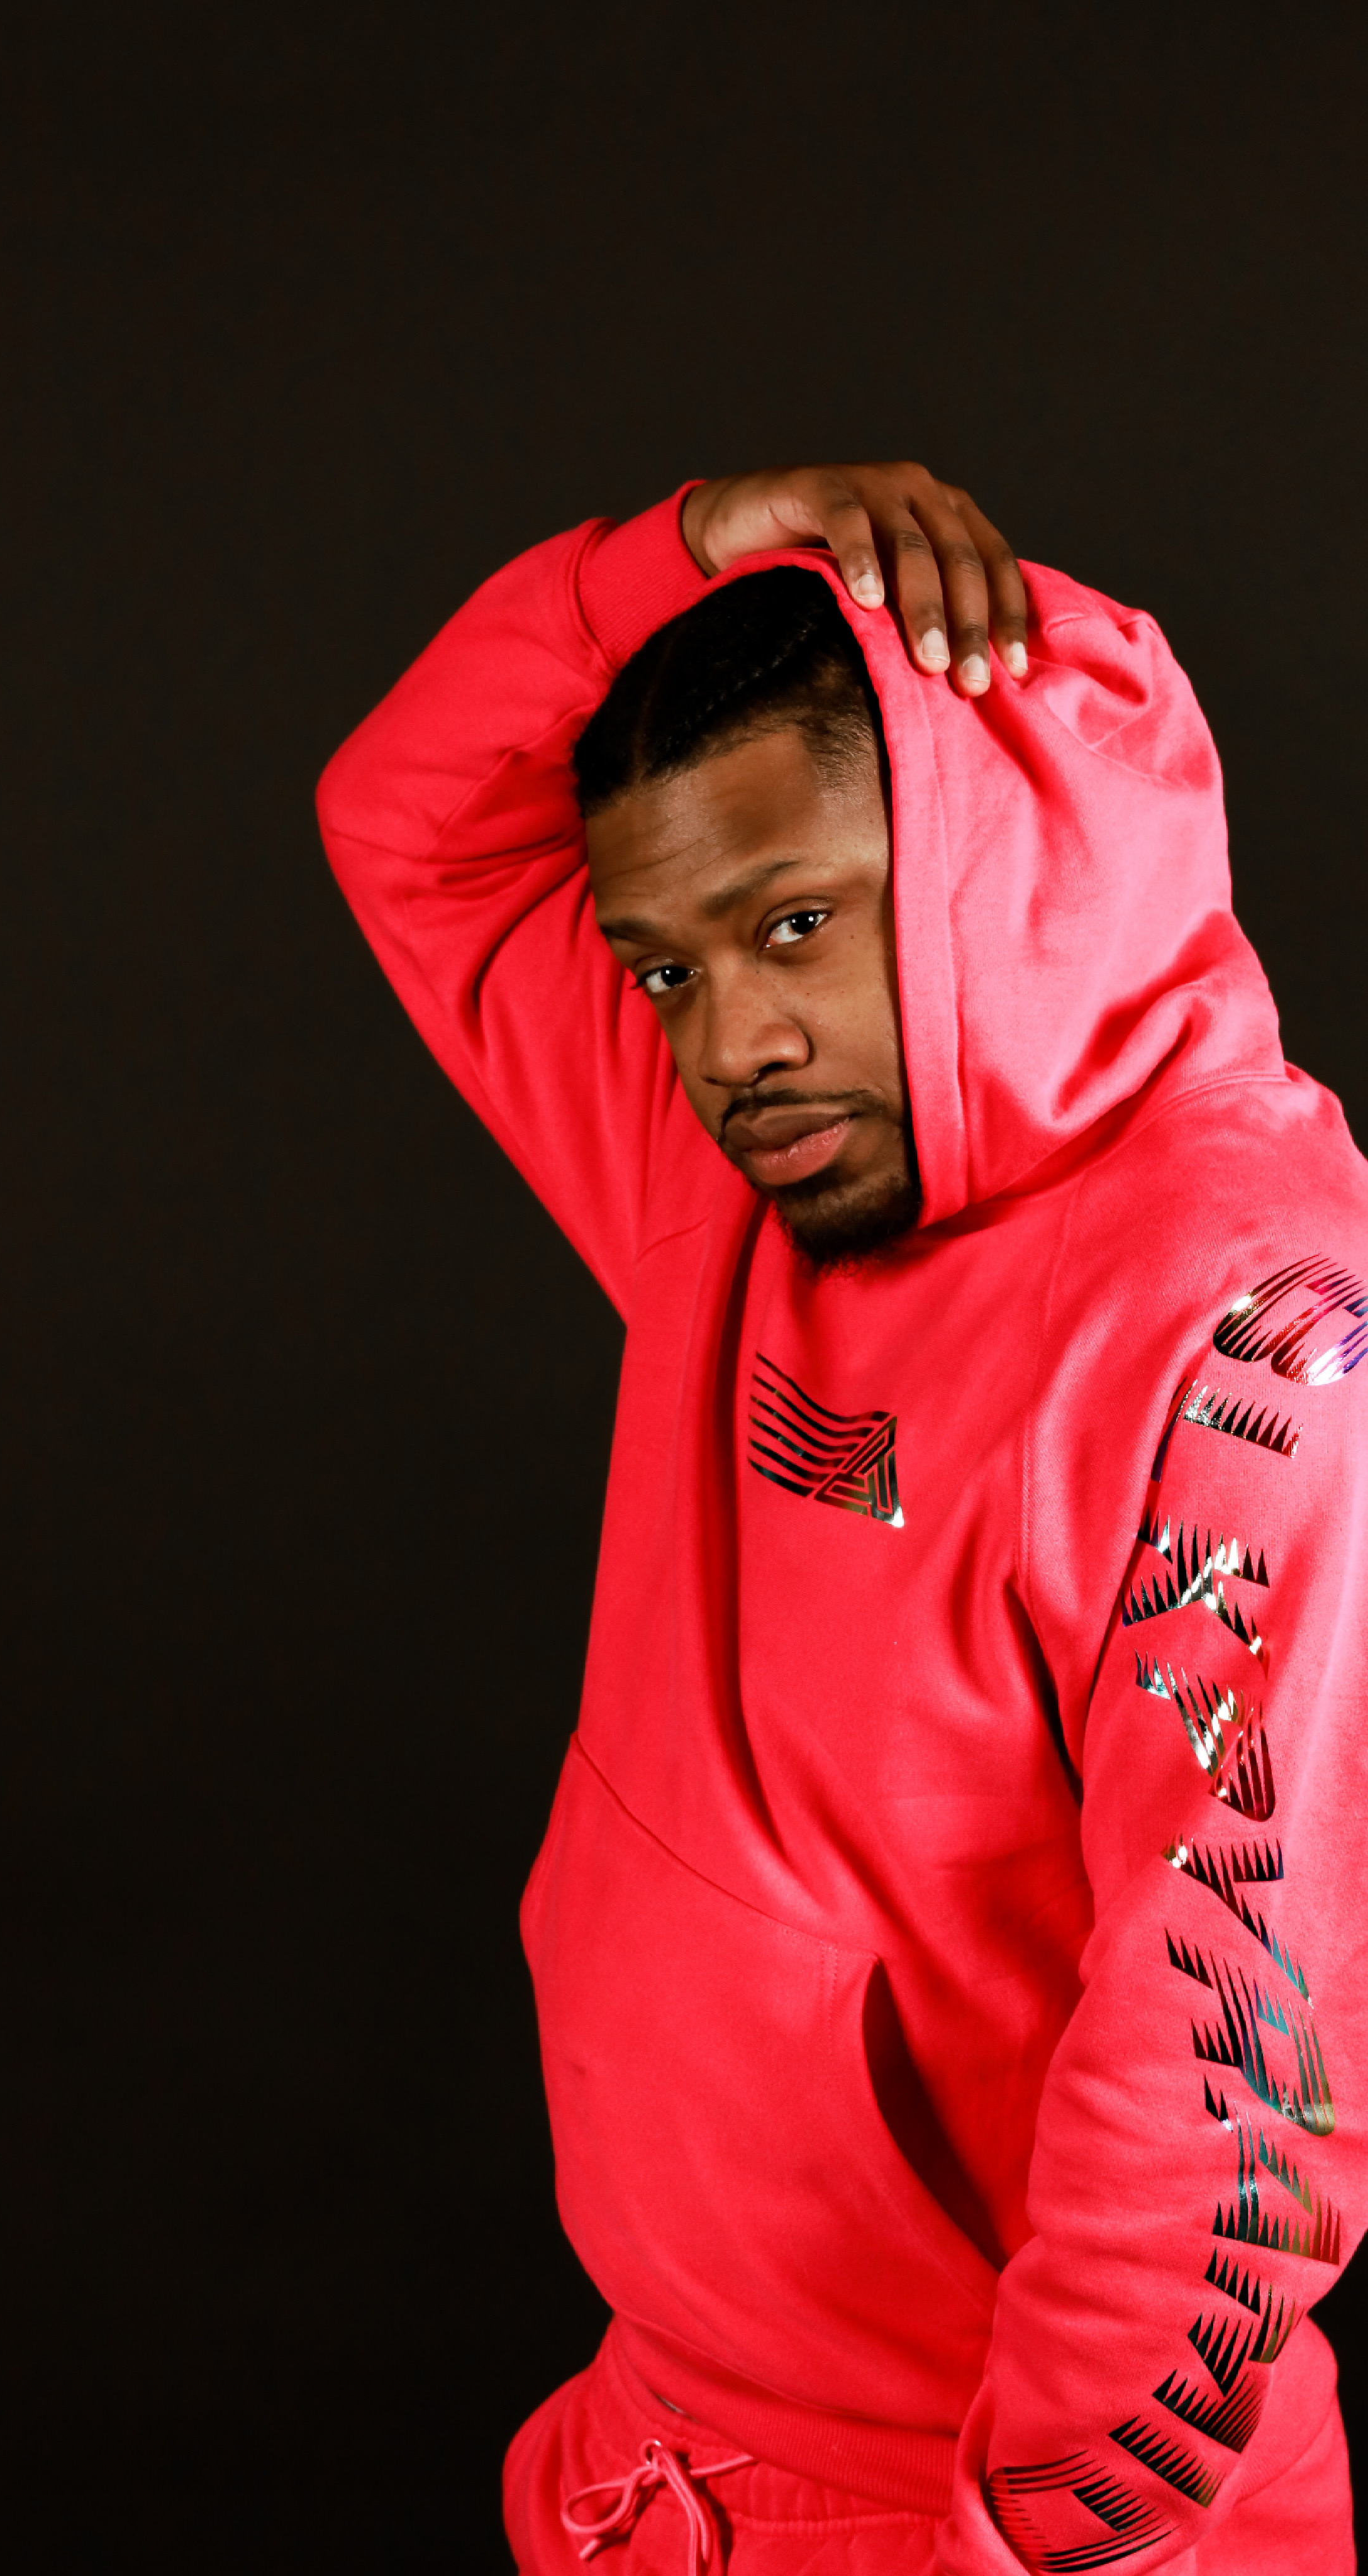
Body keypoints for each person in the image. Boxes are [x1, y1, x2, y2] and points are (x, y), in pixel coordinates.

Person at [317, 462, 1368, 2573]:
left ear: (998, 867)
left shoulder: (1252, 1324)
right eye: (666, 973)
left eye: (793, 924)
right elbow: (410, 819)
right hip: (667, 2457)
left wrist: (1053, 2542)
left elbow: (1229, 2063)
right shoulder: (745, 1180)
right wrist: (685, 542)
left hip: (990, 2518)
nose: (733, 1042)